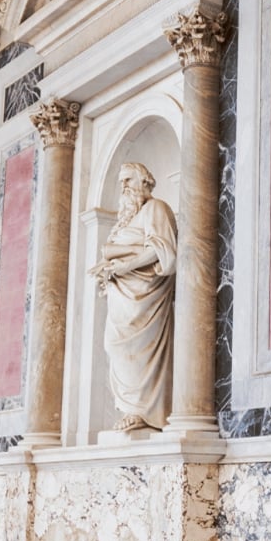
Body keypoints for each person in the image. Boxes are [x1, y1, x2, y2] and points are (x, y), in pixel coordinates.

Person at [92, 162, 178, 431]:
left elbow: (163, 250)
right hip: (122, 298)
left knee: (138, 349)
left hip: (146, 299)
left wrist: (126, 264)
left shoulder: (156, 208)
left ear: (145, 181)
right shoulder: (126, 220)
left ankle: (145, 412)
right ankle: (129, 408)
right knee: (113, 345)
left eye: (129, 179)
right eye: (121, 182)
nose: (124, 186)